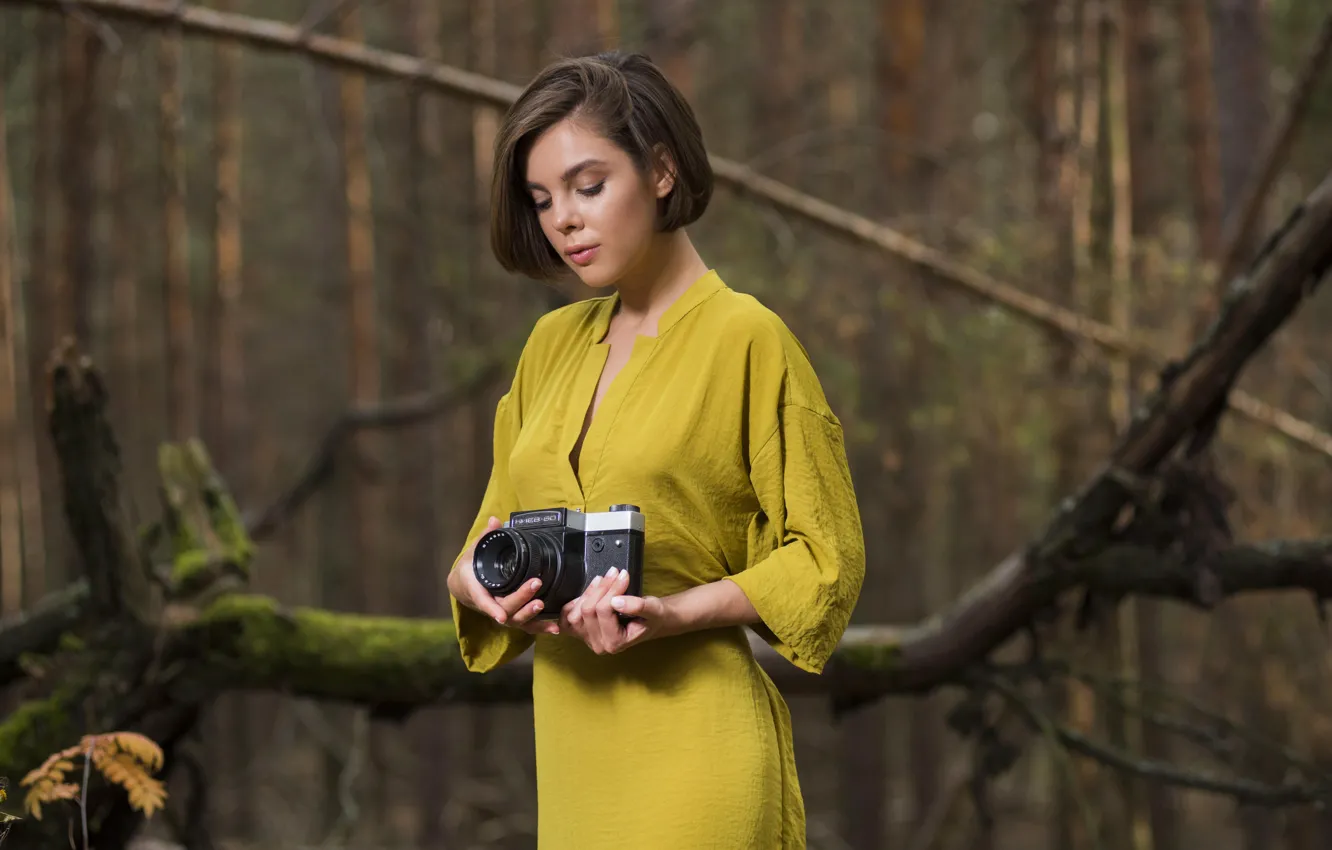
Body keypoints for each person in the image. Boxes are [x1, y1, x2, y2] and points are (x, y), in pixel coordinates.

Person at [446, 50, 865, 850]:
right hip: (572, 751)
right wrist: (473, 582)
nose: (563, 219)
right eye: (541, 200)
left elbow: (826, 558)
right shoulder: (549, 346)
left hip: (696, 750)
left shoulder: (747, 338)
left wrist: (673, 613)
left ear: (662, 171)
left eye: (587, 186)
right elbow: (483, 539)